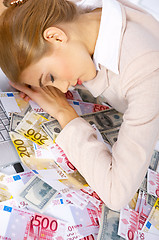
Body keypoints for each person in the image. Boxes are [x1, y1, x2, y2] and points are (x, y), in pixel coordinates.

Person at [0, 0, 159, 211]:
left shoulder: (146, 71)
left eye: (51, 76)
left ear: (56, 36)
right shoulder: (72, 15)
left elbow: (116, 193)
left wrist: (64, 113)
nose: (62, 89)